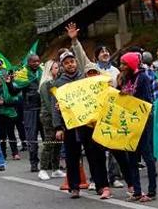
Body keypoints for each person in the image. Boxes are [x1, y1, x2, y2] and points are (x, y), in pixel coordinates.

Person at [44, 47, 110, 199]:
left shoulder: (85, 78)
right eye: (66, 63)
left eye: (72, 61)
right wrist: (58, 127)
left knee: (94, 155)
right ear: (62, 66)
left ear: (76, 62)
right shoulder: (58, 84)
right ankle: (74, 187)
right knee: (72, 156)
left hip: (88, 123)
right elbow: (55, 107)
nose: (70, 65)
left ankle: (100, 184)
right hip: (70, 125)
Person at [115, 51, 158, 202]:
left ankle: (152, 191)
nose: (121, 66)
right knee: (131, 157)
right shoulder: (125, 79)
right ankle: (137, 191)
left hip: (143, 120)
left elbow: (145, 101)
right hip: (130, 122)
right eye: (121, 63)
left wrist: (128, 97)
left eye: (124, 64)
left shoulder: (143, 78)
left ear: (131, 64)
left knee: (147, 155)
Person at [8, 53, 43, 173]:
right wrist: (9, 83)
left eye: (38, 61)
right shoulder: (22, 75)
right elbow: (13, 92)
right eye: (34, 61)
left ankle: (50, 162)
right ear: (28, 62)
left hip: (43, 109)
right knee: (32, 138)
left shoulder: (43, 72)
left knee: (48, 138)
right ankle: (34, 163)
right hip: (29, 110)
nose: (36, 63)